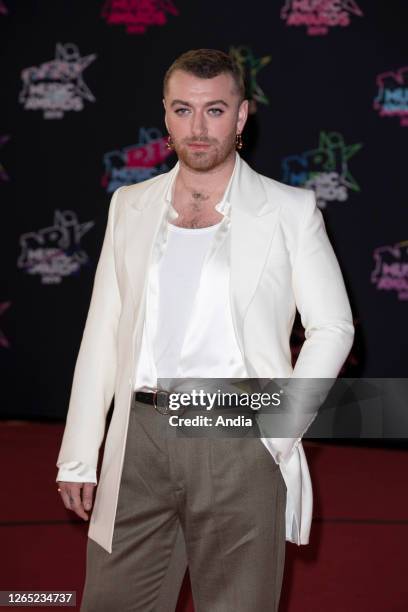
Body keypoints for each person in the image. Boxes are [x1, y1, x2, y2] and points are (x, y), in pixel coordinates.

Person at [56, 49, 354, 611]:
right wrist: (78, 452)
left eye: (214, 110)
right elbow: (103, 330)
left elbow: (333, 326)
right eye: (183, 110)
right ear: (165, 116)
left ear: (241, 116)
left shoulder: (289, 210)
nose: (198, 128)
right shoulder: (131, 204)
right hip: (138, 434)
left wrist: (277, 432)